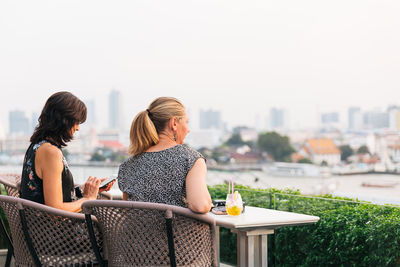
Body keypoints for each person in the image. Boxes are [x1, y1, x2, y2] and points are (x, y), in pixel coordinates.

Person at [20, 91, 114, 212]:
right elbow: (55, 211)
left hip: (38, 228)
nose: (78, 128)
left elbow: (49, 195)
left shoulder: (37, 146)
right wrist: (87, 199)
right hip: (55, 230)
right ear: (64, 120)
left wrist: (85, 190)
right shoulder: (51, 153)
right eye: (76, 122)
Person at [118, 97, 212, 213]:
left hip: (135, 231)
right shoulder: (191, 159)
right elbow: (200, 206)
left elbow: (127, 212)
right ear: (174, 123)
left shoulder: (127, 165)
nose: (188, 130)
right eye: (186, 122)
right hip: (178, 231)